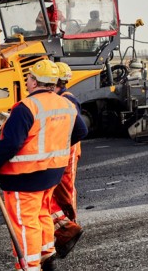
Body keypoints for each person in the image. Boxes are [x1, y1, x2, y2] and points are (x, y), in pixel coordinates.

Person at [0, 60, 87, 271]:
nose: (26, 82)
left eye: (28, 78)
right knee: (42, 214)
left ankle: (29, 266)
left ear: (36, 81)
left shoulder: (26, 107)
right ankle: (47, 255)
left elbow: (11, 144)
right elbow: (81, 131)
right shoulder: (65, 103)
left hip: (24, 177)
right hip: (52, 173)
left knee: (24, 223)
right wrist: (57, 148)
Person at [50, 62, 84, 259]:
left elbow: (77, 129)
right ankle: (67, 228)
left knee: (66, 192)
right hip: (62, 150)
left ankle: (70, 227)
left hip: (67, 151)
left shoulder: (67, 99)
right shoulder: (61, 97)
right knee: (59, 192)